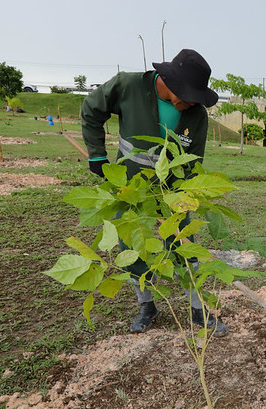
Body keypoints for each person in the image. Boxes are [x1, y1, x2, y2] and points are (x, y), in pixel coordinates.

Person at [81, 48, 228, 335]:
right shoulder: (128, 86)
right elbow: (91, 110)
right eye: (188, 95)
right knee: (133, 248)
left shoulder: (196, 115)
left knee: (185, 248)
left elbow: (193, 163)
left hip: (172, 194)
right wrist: (97, 155)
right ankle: (146, 306)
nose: (192, 102)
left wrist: (183, 200)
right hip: (132, 190)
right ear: (170, 81)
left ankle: (198, 311)